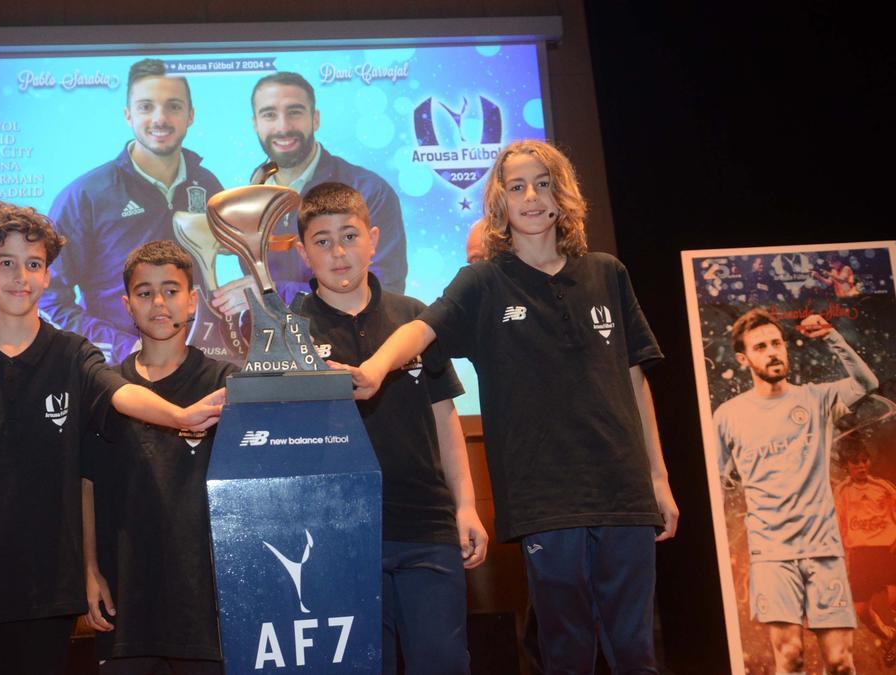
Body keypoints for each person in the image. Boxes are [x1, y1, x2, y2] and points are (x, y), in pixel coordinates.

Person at [343, 139, 679, 673]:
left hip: (625, 494)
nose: (531, 196)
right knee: (565, 653)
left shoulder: (607, 272)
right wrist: (376, 367)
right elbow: (420, 328)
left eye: (543, 183)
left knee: (636, 654)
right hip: (544, 499)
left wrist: (658, 480)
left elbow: (636, 383)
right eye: (517, 185)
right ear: (499, 200)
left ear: (562, 194)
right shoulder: (483, 282)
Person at [0, 202, 223, 675]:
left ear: (48, 276)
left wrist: (178, 415)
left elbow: (121, 392)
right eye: (5, 263)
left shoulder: (72, 355)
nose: (20, 276)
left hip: (49, 591)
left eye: (33, 265)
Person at [291, 182, 487, 674]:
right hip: (337, 535)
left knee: (442, 662)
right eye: (322, 240)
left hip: (426, 525)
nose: (338, 252)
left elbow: (445, 418)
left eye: (350, 236)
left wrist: (466, 505)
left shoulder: (413, 317)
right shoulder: (290, 328)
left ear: (373, 239)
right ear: (302, 252)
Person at [80, 241, 235, 674]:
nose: (159, 303)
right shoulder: (106, 390)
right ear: (127, 304)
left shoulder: (226, 383)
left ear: (193, 300)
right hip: (128, 604)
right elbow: (87, 486)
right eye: (145, 293)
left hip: (206, 605)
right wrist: (90, 570)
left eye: (171, 289)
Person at [716, 308, 878, 674]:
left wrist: (833, 337)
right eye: (760, 347)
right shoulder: (728, 415)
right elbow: (719, 476)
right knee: (790, 658)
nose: (772, 352)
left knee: (839, 662)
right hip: (772, 555)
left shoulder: (816, 398)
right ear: (743, 359)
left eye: (777, 343)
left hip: (823, 551)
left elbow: (866, 384)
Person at [41, 58, 224, 363]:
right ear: (128, 114)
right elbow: (49, 297)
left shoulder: (207, 185)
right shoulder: (85, 195)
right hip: (119, 373)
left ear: (190, 115)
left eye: (174, 106)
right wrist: (122, 347)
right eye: (146, 107)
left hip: (196, 364)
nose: (160, 118)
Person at [211, 72, 407, 317]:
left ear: (315, 119)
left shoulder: (369, 191)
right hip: (271, 350)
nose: (283, 127)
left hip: (346, 348)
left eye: (295, 112)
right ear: (255, 124)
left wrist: (275, 296)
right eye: (269, 114)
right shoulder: (246, 201)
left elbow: (384, 291)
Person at [834, 437, 896, 667]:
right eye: (855, 462)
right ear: (846, 466)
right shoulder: (841, 492)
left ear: (868, 462)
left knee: (894, 600)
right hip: (860, 555)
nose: (861, 466)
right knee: (861, 610)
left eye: (864, 461)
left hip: (886, 550)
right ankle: (889, 636)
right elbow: (838, 524)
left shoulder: (883, 487)